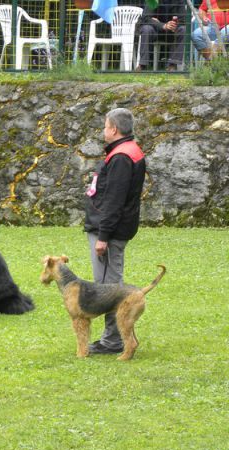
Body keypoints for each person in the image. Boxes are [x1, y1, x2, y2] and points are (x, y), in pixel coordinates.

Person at [84, 108, 146, 355]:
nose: (103, 130)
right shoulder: (128, 150)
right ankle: (116, 337)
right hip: (115, 228)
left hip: (110, 231)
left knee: (108, 287)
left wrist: (103, 236)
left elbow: (114, 200)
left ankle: (113, 340)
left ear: (114, 129)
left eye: (105, 125)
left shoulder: (121, 157)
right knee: (110, 284)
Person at [136, 0, 186, 72]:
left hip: (171, 32)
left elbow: (183, 19)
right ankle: (143, 65)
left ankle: (172, 65)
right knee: (146, 29)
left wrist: (173, 24)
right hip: (155, 30)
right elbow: (145, 18)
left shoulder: (179, 1)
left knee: (183, 30)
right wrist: (163, 25)